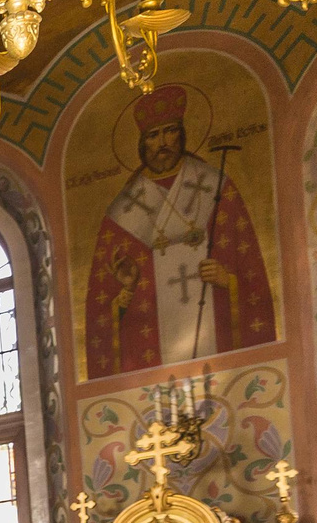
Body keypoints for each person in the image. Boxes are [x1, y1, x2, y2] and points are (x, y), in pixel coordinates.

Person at [84, 83, 277, 379]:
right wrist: (126, 291)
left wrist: (229, 280)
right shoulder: (121, 213)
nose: (163, 142)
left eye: (170, 131)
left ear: (182, 133)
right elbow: (102, 306)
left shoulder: (216, 186)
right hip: (152, 363)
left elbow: (251, 268)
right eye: (153, 135)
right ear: (142, 143)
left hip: (220, 348)